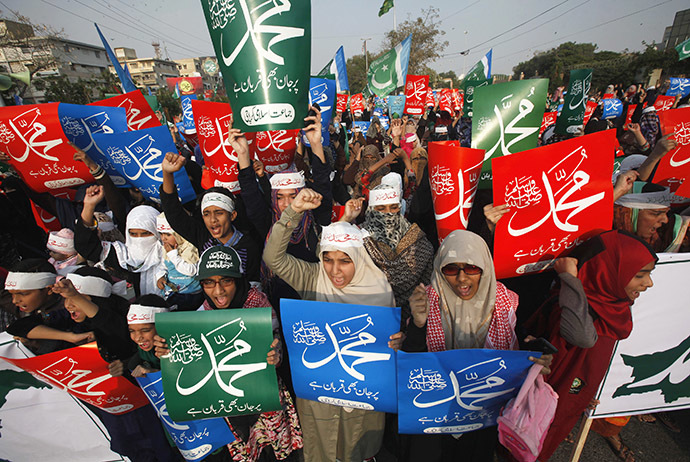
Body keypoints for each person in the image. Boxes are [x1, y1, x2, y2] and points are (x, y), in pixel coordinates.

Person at [263, 187, 403, 462]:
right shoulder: (313, 278)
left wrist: (398, 342)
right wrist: (294, 212)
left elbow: (388, 349)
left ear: (359, 259)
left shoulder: (379, 290)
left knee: (359, 450)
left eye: (344, 261)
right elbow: (273, 259)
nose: (334, 271)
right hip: (320, 398)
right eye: (327, 259)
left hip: (362, 396)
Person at [399, 229, 551, 462]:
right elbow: (411, 366)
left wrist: (534, 359)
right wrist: (419, 325)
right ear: (439, 270)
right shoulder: (424, 301)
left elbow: (516, 347)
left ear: (485, 268)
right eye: (451, 269)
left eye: (471, 268)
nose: (461, 279)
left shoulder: (503, 302)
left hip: (483, 416)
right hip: (435, 417)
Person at [154, 246, 303, 462]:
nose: (218, 291)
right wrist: (168, 351)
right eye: (209, 282)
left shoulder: (257, 304)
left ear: (238, 280)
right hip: (230, 401)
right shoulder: (204, 311)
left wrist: (275, 355)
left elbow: (277, 341)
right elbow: (193, 355)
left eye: (226, 281)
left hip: (263, 398)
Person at [533, 230, 657, 460]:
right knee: (528, 446)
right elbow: (582, 337)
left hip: (574, 397)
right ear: (608, 272)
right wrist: (570, 280)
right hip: (545, 402)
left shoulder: (613, 305)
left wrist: (586, 389)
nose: (648, 283)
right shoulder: (573, 304)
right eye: (640, 275)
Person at [51, 267, 178, 462]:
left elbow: (108, 322)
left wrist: (74, 295)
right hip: (119, 409)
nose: (70, 305)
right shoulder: (79, 326)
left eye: (80, 300)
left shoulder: (120, 325)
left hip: (148, 412)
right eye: (67, 300)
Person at [341, 175, 434, 328]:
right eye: (381, 208)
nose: (389, 213)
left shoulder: (418, 240)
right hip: (369, 317)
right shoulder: (359, 238)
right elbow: (328, 252)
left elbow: (426, 284)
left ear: (400, 207)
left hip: (412, 320)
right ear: (372, 210)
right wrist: (345, 219)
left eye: (393, 207)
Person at [159, 152, 262, 283]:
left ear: (232, 215)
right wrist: (167, 173)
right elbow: (173, 213)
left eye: (219, 213)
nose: (212, 219)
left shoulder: (249, 245)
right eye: (206, 214)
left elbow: (253, 282)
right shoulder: (203, 236)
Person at [74, 186, 164, 297]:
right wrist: (89, 206)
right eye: (133, 234)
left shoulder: (169, 253)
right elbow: (86, 246)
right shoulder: (121, 256)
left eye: (146, 233)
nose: (139, 239)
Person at [5, 259, 90, 354]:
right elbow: (19, 327)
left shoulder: (70, 309)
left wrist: (68, 337)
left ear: (49, 289)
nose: (15, 300)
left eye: (24, 294)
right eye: (12, 294)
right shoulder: (24, 306)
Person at [154, 213, 204, 311]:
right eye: (161, 234)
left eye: (168, 234)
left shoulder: (189, 248)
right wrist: (160, 276)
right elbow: (163, 266)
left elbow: (190, 271)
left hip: (191, 295)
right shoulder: (166, 248)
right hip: (174, 292)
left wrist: (173, 255)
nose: (164, 238)